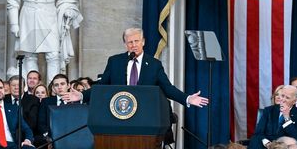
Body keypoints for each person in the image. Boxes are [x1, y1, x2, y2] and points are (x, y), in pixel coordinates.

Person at [63, 28, 208, 109]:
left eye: (136, 41)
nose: (133, 45)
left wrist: (187, 98)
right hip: (119, 111)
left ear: (143, 42)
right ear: (125, 44)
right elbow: (102, 85)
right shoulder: (115, 62)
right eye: (129, 42)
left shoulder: (154, 64)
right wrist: (82, 96)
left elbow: (167, 88)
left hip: (144, 112)